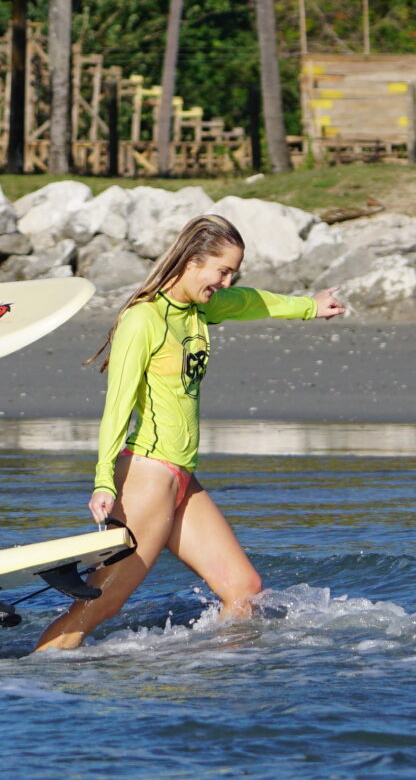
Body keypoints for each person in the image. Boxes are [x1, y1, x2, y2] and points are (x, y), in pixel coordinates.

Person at [32, 214, 346, 651]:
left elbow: (248, 302)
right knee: (100, 604)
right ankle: (33, 681)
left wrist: (309, 307)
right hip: (146, 474)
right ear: (193, 261)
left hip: (180, 475)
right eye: (221, 270)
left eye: (232, 271)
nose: (226, 281)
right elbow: (117, 406)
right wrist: (103, 480)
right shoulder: (144, 319)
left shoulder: (200, 308)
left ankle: (209, 683)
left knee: (242, 587)